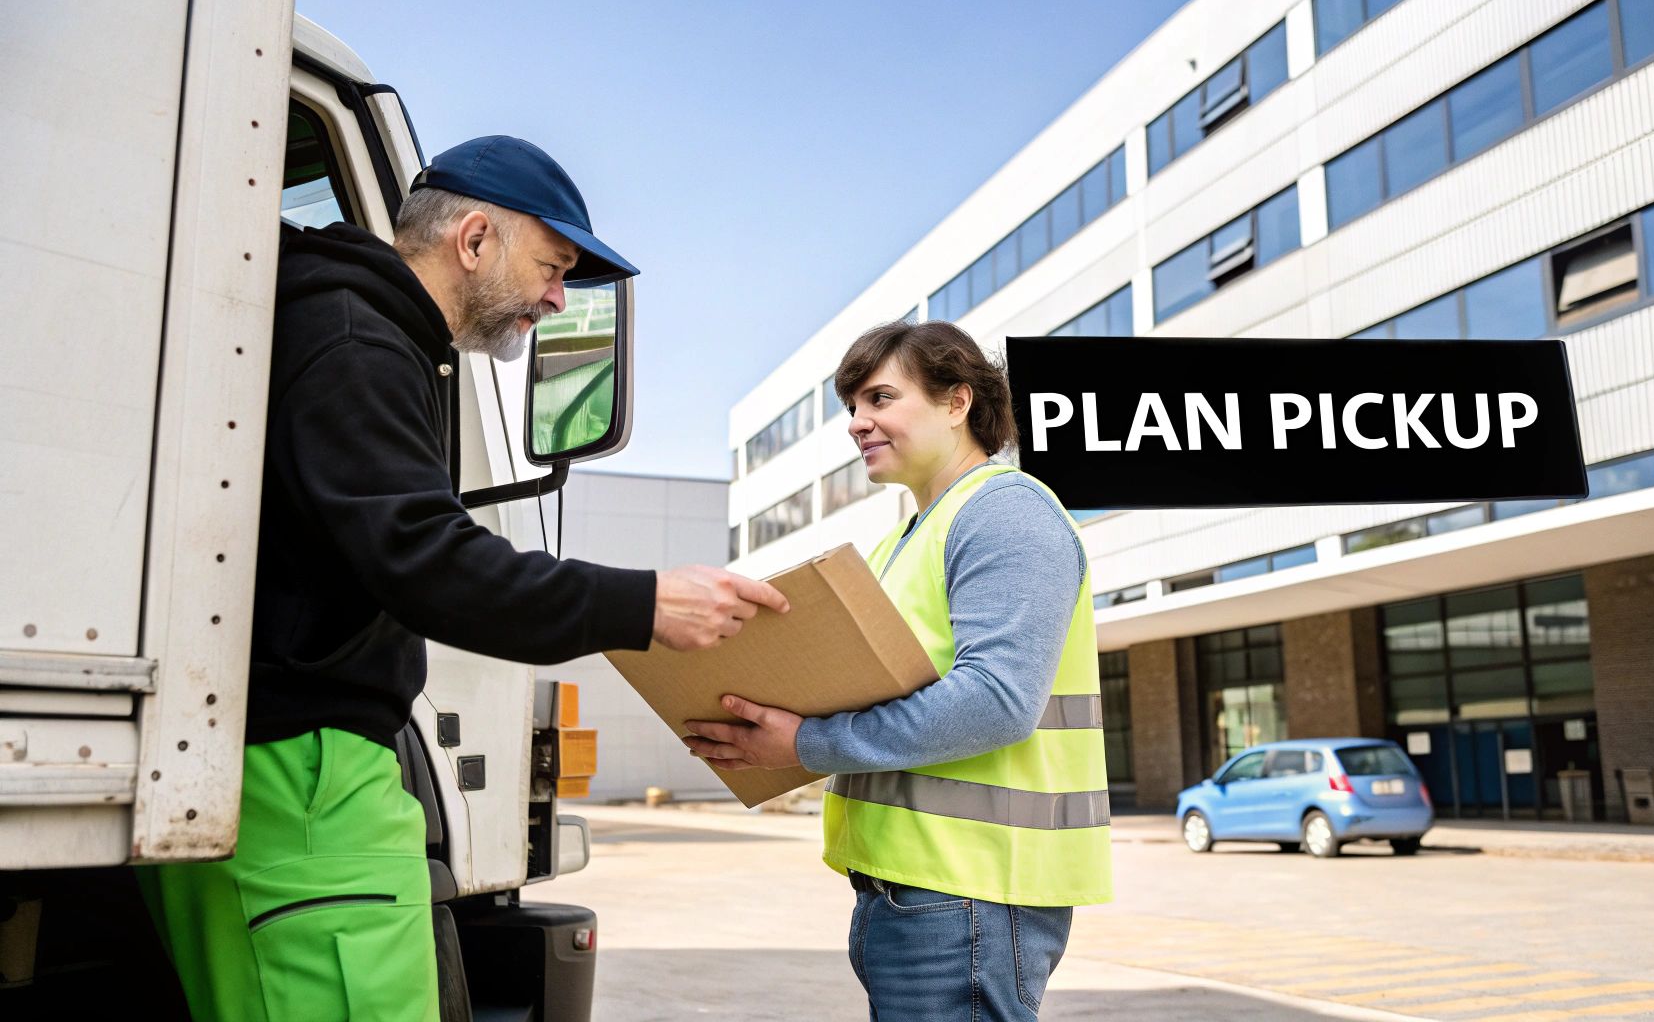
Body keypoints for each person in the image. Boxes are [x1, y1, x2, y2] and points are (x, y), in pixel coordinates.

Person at [139, 135, 789, 1021]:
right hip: (309, 784)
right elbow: (423, 556)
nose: (557, 298)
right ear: (475, 239)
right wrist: (643, 603)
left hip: (282, 771)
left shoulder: (346, 327)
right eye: (553, 266)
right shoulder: (353, 337)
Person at [683, 320, 1112, 1020]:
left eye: (880, 398)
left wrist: (804, 742)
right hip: (909, 888)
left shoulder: (1004, 511)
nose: (857, 422)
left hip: (971, 889)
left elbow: (998, 701)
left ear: (956, 402)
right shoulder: (900, 540)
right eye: (851, 406)